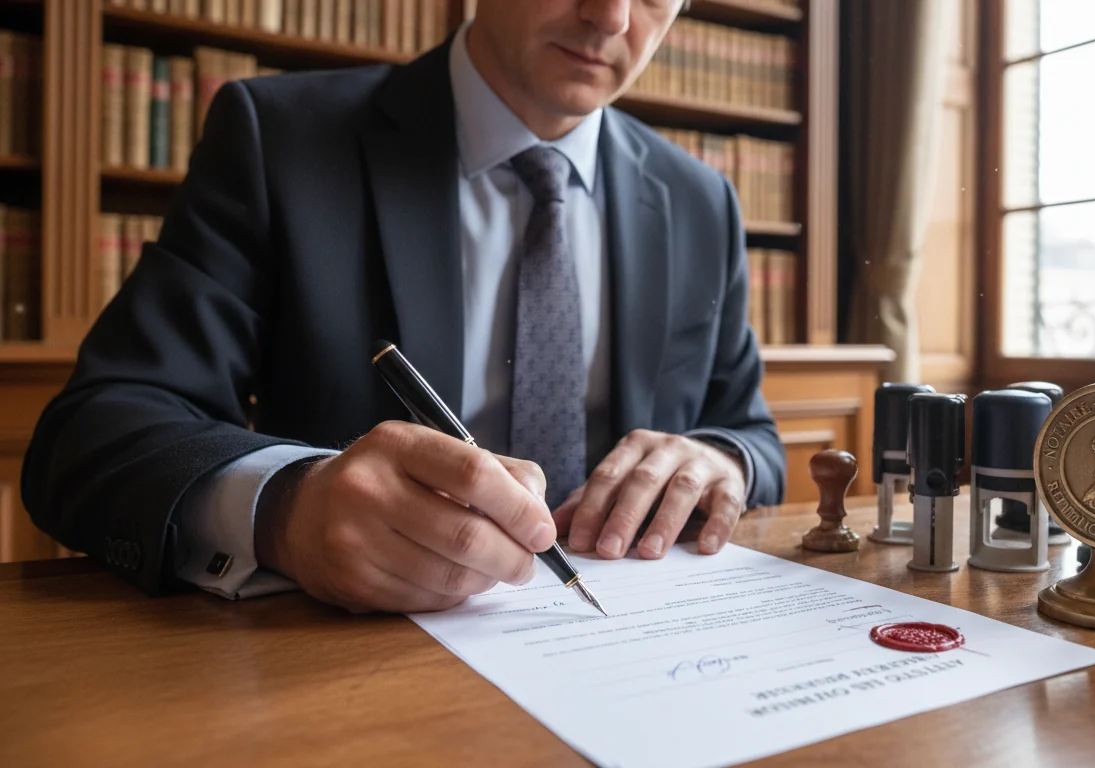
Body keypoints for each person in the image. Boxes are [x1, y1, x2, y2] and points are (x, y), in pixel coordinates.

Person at [21, 0, 784, 613]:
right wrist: (288, 512)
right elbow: (92, 434)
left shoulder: (699, 199)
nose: (613, 16)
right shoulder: (279, 139)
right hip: (345, 680)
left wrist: (721, 458)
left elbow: (750, 432)